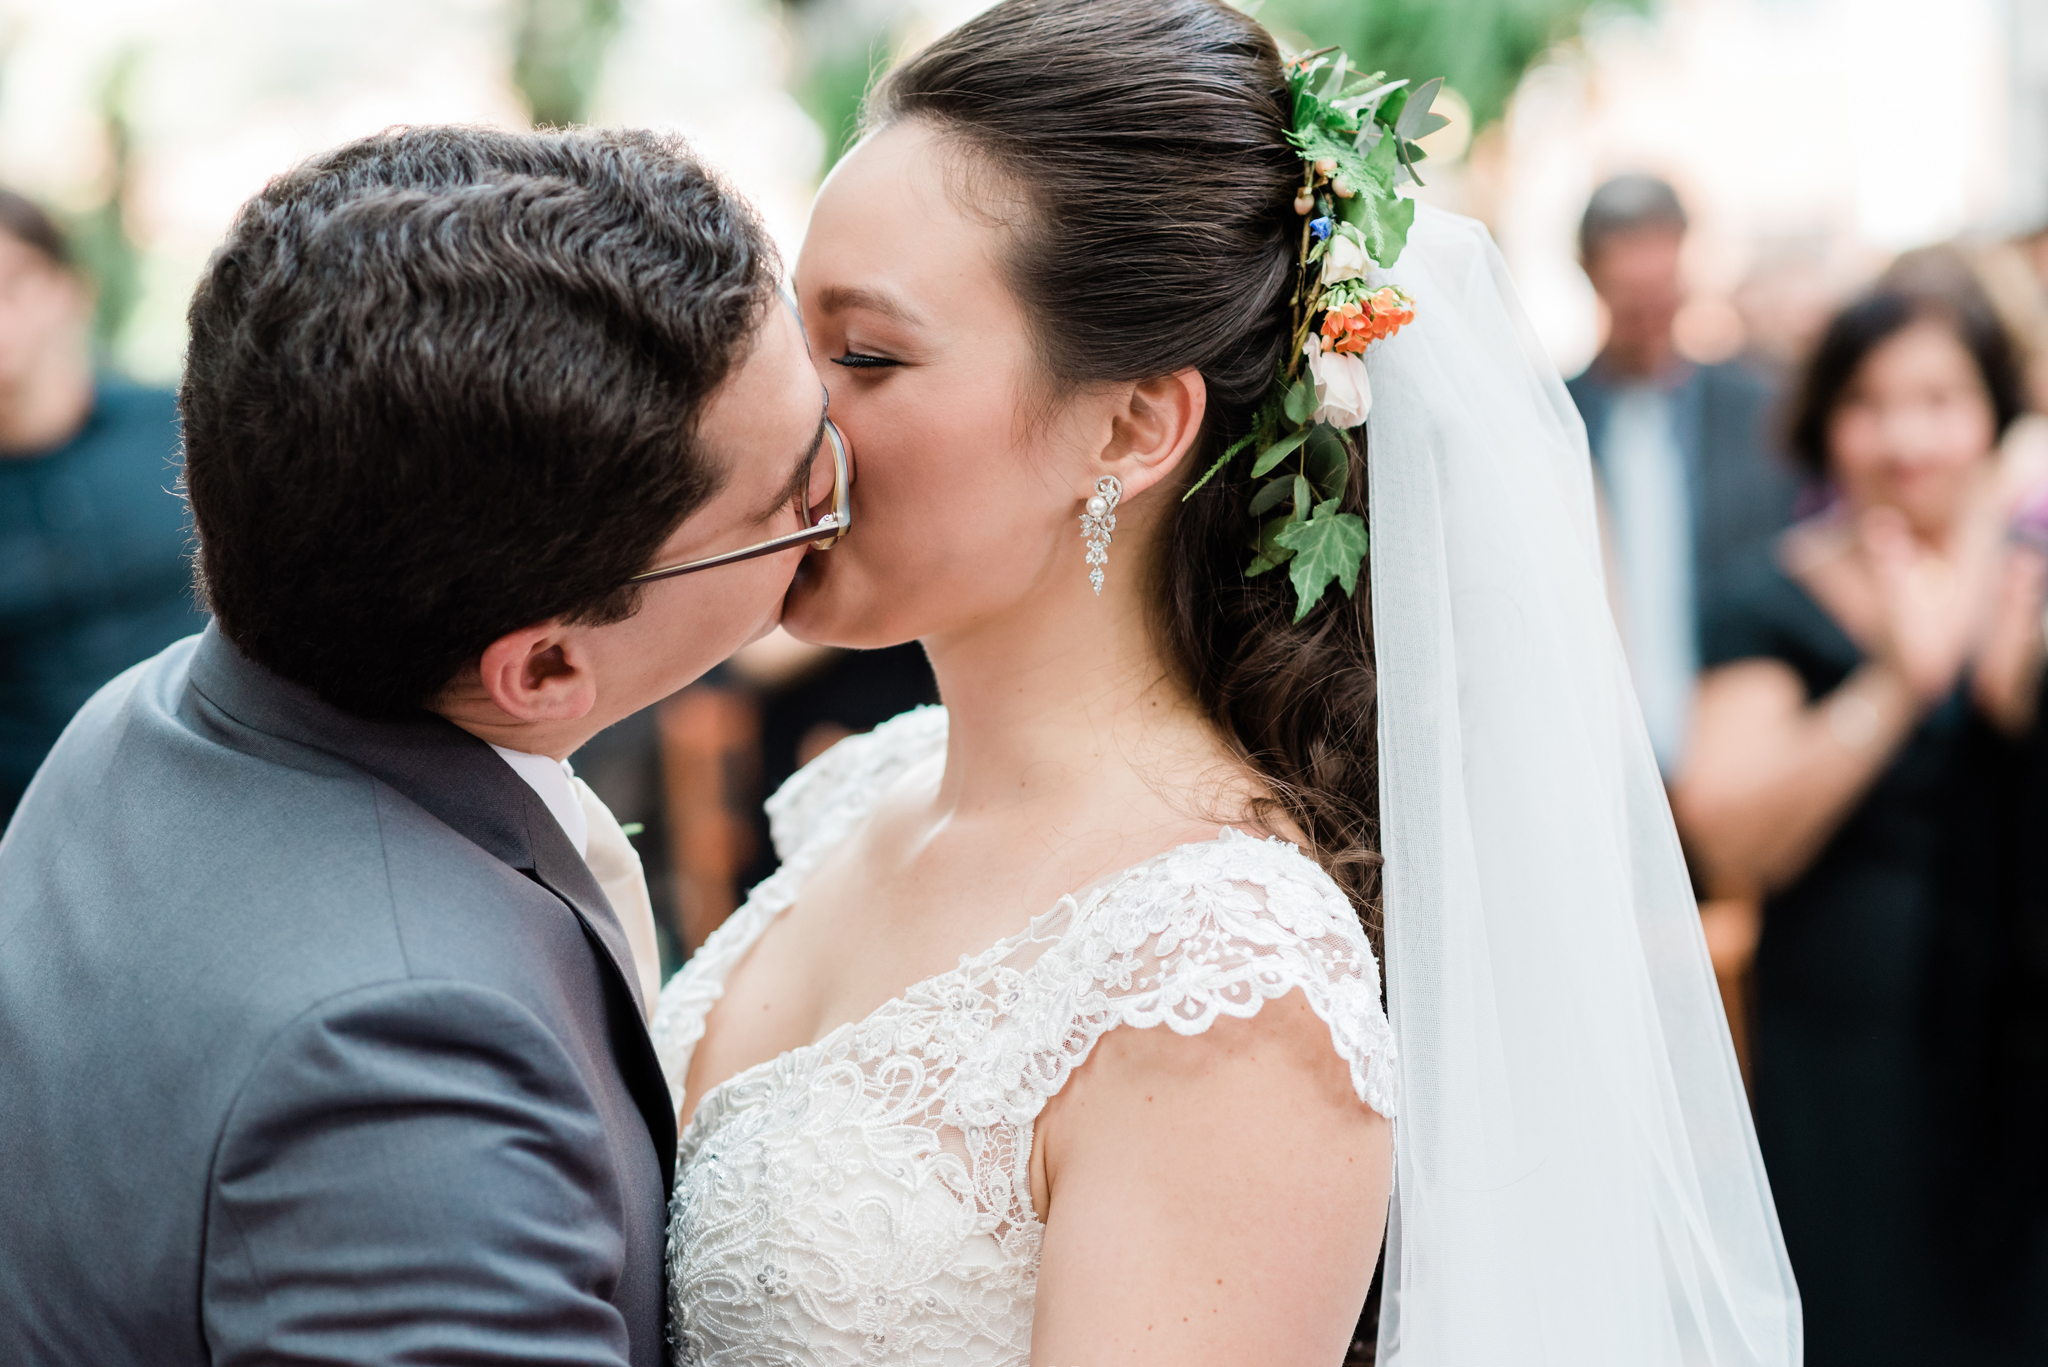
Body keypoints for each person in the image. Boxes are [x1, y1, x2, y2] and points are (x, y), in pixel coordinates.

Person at [650, 3, 1799, 1364]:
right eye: (796, 333)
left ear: (1132, 424)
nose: (792, 410)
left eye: (871, 356)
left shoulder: (1221, 979)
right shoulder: (868, 789)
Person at [0, 126, 846, 1366]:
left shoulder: (149, 708)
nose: (846, 483)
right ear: (546, 666)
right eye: (798, 490)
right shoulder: (402, 1062)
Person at [1676, 283, 2048, 1365]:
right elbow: (1730, 838)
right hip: (1851, 1069)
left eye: (1939, 399)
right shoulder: (1765, 598)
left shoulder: (2029, 583)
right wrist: (1891, 683)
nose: (1905, 437)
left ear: (1993, 413)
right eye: (1868, 402)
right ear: (1823, 420)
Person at [1567, 174, 1803, 774]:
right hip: (1601, 756)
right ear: (1591, 274)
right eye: (1630, 293)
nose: (1648, 313)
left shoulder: (1761, 414)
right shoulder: (1556, 421)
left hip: (1735, 754)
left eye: (1661, 289)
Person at [0, 189, 203, 827]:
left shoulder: (188, 429)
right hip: (33, 843)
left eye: (8, 284)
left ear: (69, 289)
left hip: (226, 793)